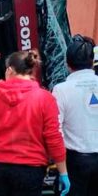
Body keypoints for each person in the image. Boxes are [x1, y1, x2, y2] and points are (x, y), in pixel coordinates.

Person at [0, 50, 70, 196]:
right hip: (31, 170)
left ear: (10, 70)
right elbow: (53, 137)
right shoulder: (44, 98)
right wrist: (63, 172)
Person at [53, 35, 98, 196]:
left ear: (67, 64)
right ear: (92, 62)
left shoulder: (61, 90)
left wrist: (62, 170)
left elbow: (55, 131)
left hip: (75, 163)